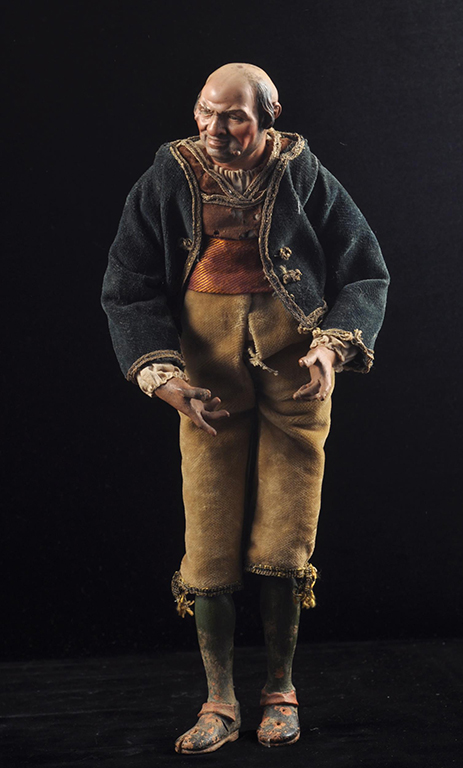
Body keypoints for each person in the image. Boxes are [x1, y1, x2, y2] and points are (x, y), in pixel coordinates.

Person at [102, 62, 389, 753]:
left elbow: (364, 270)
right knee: (207, 539)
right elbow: (128, 284)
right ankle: (219, 700)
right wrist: (162, 375)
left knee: (286, 534)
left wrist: (333, 347)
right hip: (205, 384)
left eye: (233, 115)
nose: (215, 128)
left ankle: (280, 691)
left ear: (268, 115)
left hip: (296, 375)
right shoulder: (170, 175)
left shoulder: (302, 173)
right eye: (206, 111)